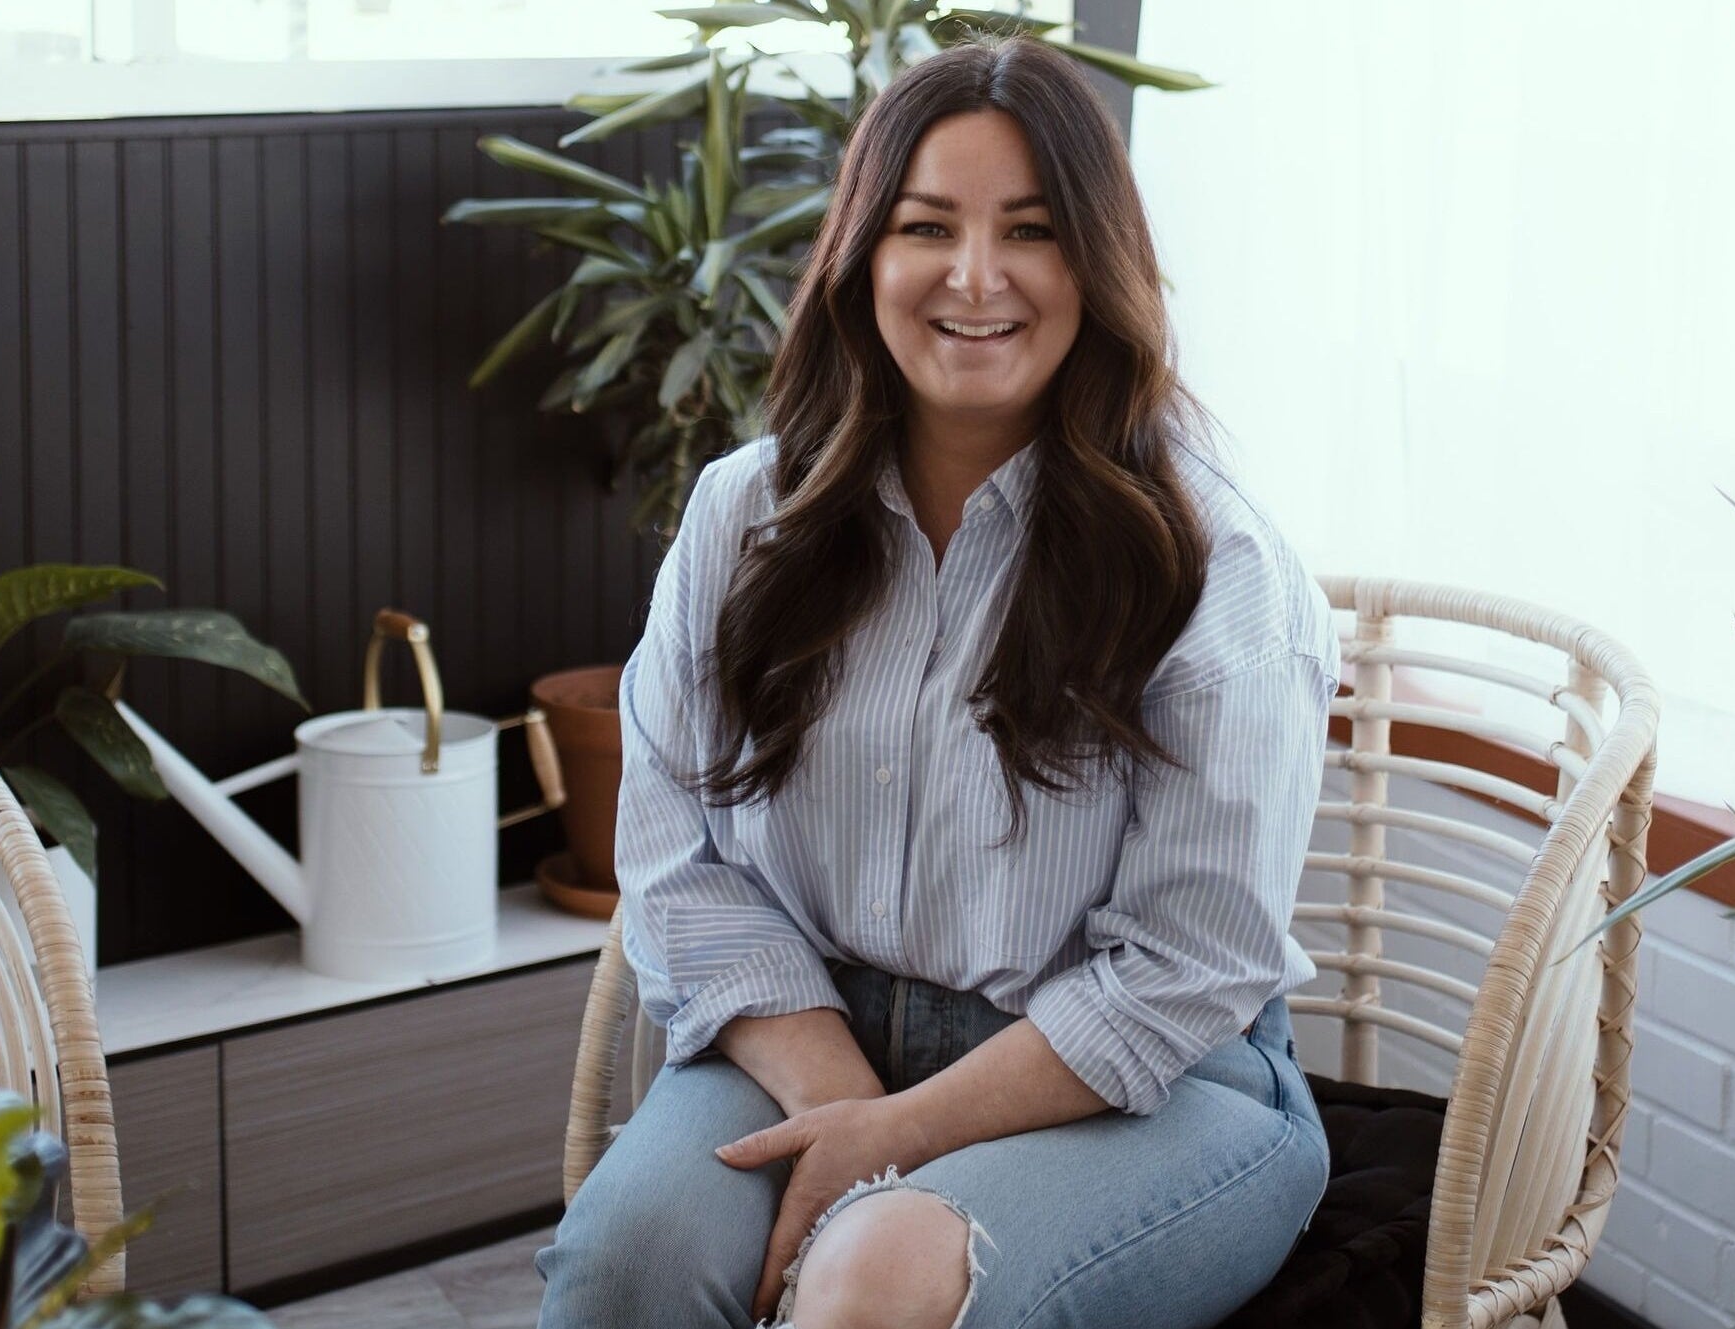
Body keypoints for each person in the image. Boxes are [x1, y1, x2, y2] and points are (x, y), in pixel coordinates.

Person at [536, 32, 1338, 1329]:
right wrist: (844, 1101)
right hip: (812, 1030)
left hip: (1161, 1084)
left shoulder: (1216, 562)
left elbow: (1191, 966)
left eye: (1030, 229)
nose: (976, 277)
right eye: (926, 227)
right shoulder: (745, 516)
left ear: (1099, 263)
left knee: (879, 1276)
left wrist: (895, 1139)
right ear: (864, 259)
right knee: (625, 1266)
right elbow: (679, 858)